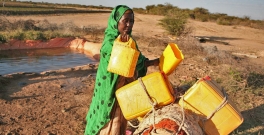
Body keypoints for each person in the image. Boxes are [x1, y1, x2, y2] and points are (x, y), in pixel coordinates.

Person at [84, 5, 160, 135]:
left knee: (121, 119)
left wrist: (154, 62)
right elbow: (119, 64)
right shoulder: (110, 42)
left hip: (123, 90)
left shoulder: (130, 41)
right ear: (116, 21)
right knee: (109, 118)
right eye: (125, 21)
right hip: (110, 89)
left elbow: (138, 60)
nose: (129, 25)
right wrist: (123, 48)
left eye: (131, 21)